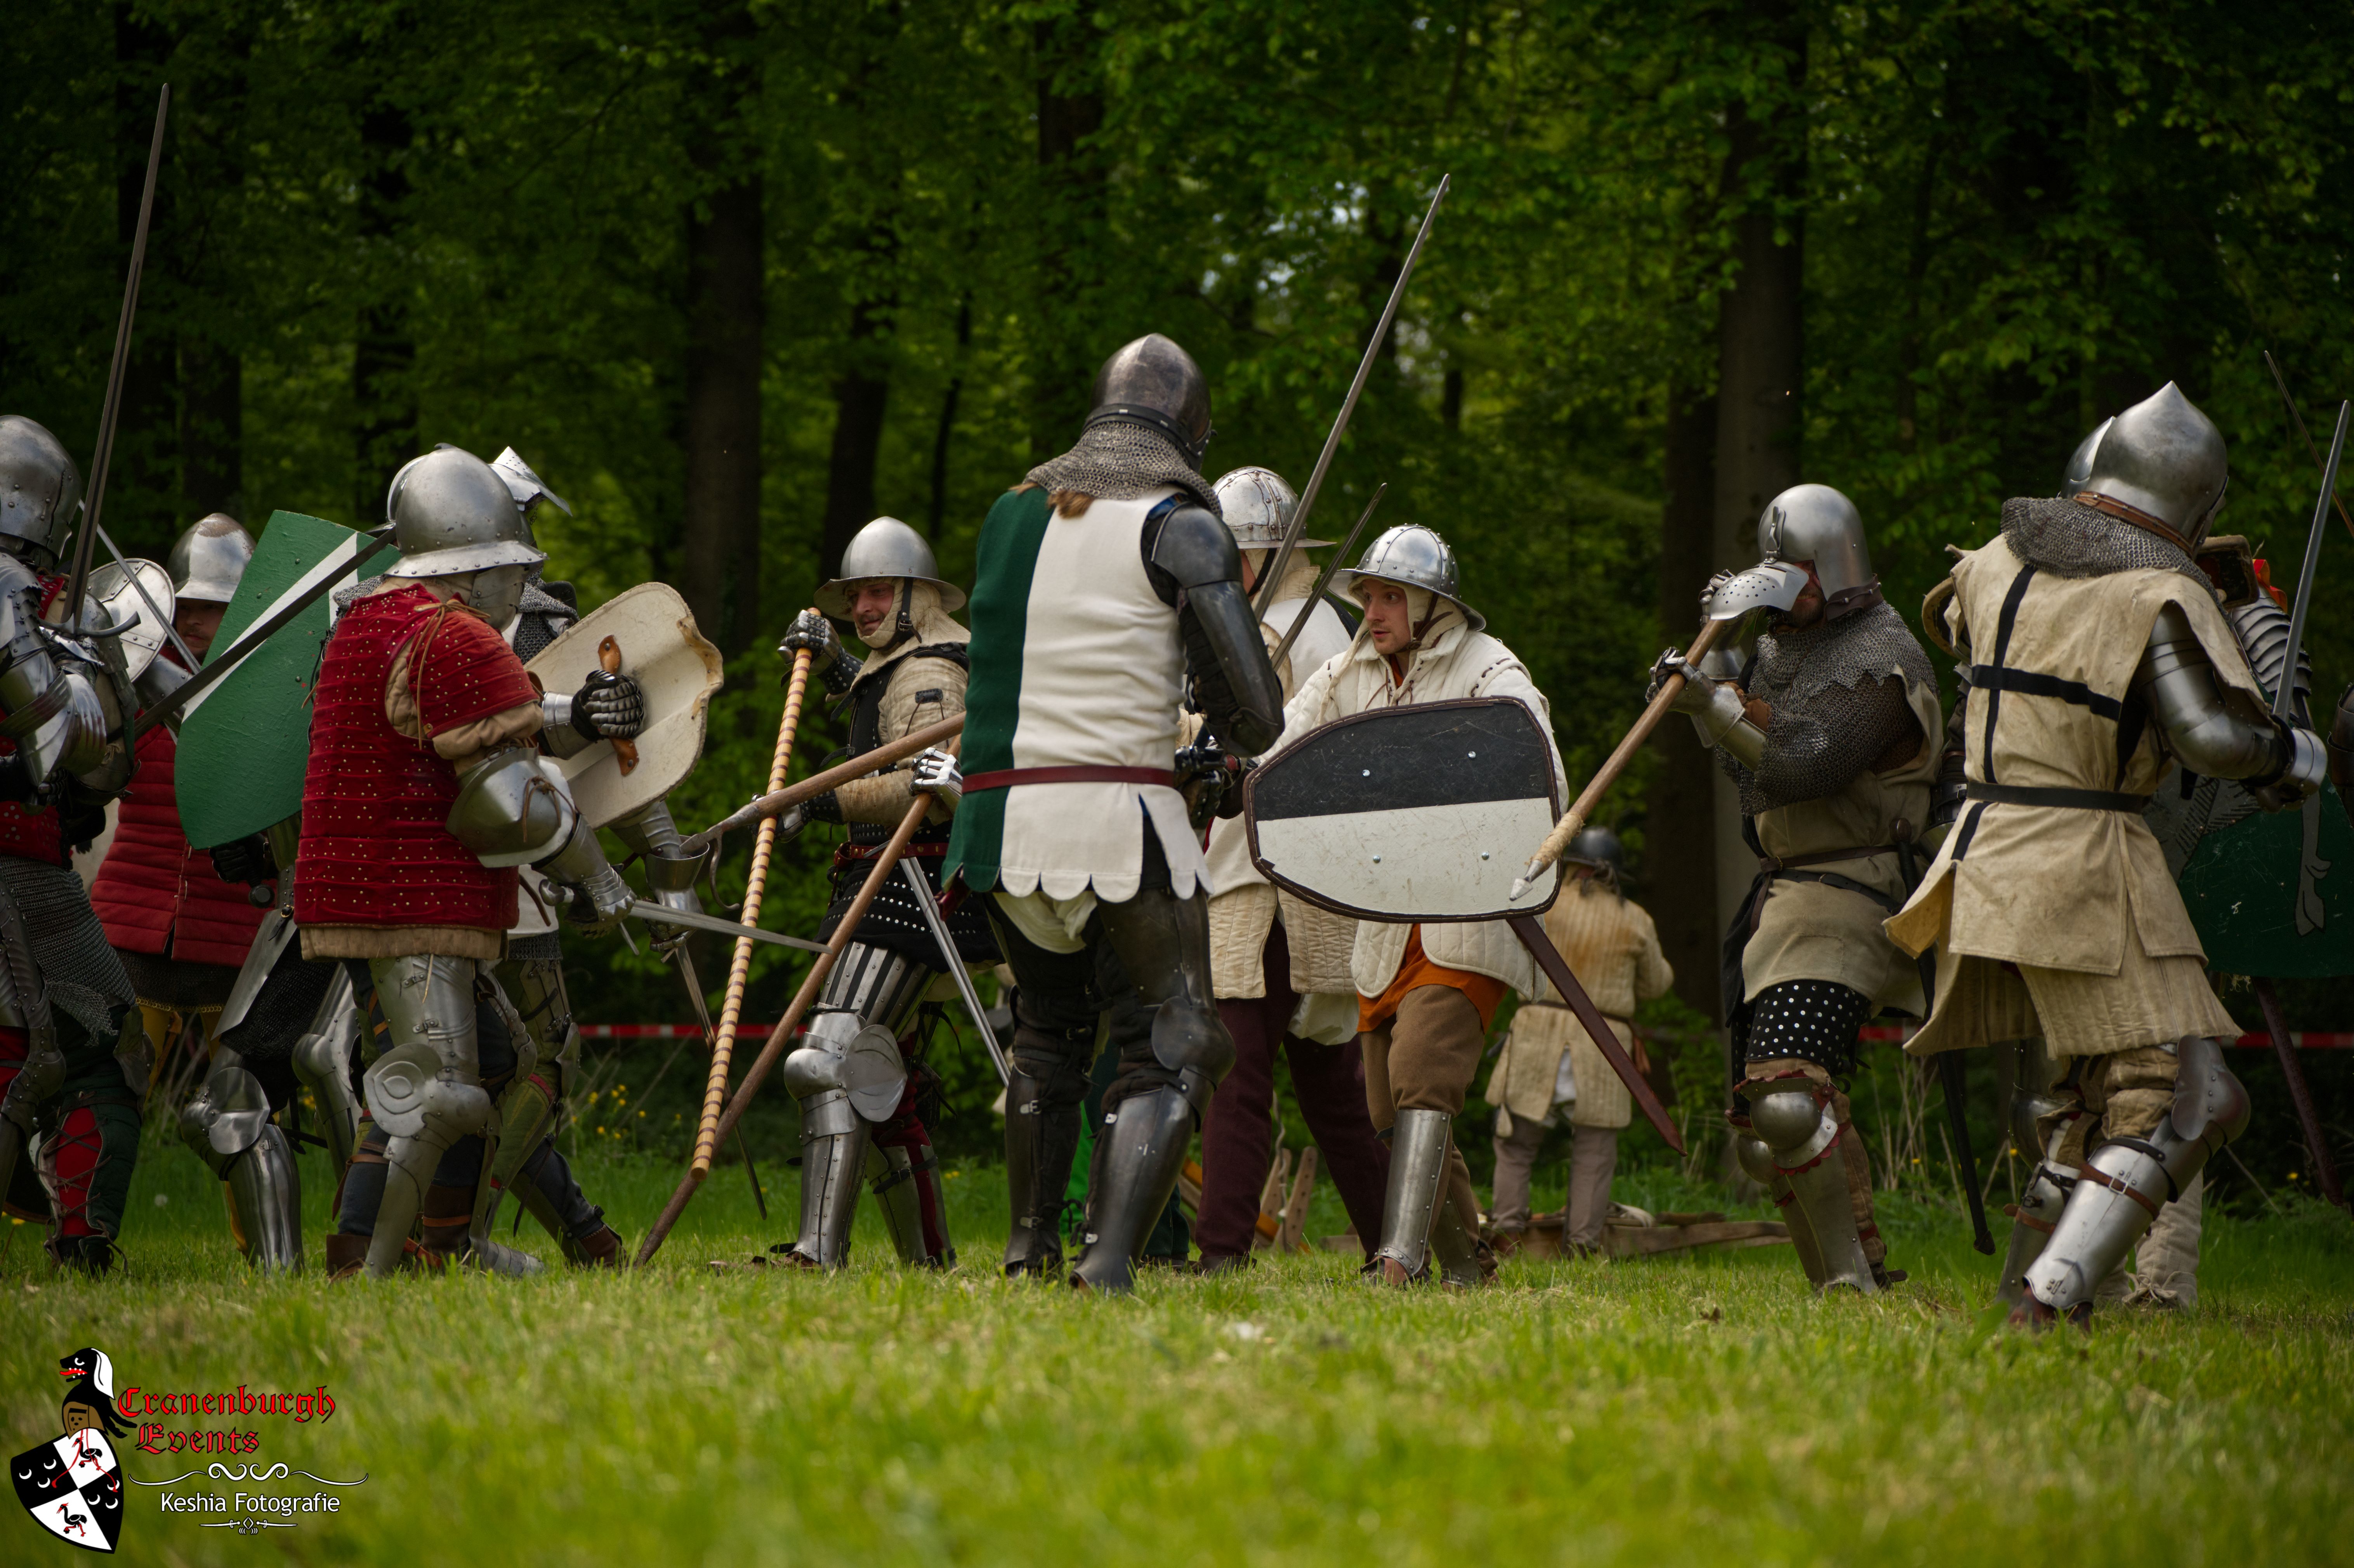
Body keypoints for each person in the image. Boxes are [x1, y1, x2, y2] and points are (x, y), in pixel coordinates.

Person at [1886, 382, 2326, 1328]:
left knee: (2086, 1099)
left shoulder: (1991, 563)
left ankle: (2028, 1289)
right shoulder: (2153, 591)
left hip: (1986, 847)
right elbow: (2209, 742)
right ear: (2199, 501)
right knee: (2184, 1098)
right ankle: (2047, 1299)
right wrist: (2292, 751)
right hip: (2086, 859)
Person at [943, 332, 1284, 1294]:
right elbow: (1256, 714)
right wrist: (1217, 736)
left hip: (998, 826)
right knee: (1177, 1042)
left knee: (1046, 1037)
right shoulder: (1181, 525)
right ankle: (1106, 1263)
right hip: (1115, 821)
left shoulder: (1010, 511)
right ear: (1190, 434)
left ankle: (1027, 1250)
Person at [299, 444, 643, 1279]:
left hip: (361, 889)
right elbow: (514, 797)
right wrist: (597, 879)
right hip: (407, 898)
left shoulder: (366, 619)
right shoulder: (453, 634)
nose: (521, 586)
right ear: (474, 567)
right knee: (441, 1088)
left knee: (499, 1066)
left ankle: (447, 1245)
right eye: (511, 566)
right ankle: (372, 1268)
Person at [1651, 483, 1942, 1294]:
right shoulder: (1778, 652)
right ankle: (1849, 1277)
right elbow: (1754, 779)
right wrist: (1710, 678)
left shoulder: (1880, 655)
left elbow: (1806, 765)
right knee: (1763, 1124)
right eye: (1781, 572)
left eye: (1803, 572)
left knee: (1786, 1096)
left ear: (1838, 565)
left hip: (1856, 886)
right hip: (1785, 897)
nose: (1791, 589)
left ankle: (1848, 1287)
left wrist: (1714, 704)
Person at [1273, 523, 1562, 1287]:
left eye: (1390, 597)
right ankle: (1467, 1267)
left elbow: (1537, 775)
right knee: (1387, 1112)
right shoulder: (1346, 674)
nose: (1372, 612)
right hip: (1384, 920)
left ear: (1434, 605)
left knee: (1423, 1076)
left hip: (1468, 916)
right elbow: (1283, 748)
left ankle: (1399, 1261)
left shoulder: (1490, 671)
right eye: (1367, 596)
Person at [767, 514, 991, 1268]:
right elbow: (885, 715)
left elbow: (918, 785)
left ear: (916, 596)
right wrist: (836, 663)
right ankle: (928, 1260)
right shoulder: (910, 661)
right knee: (881, 1083)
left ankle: (817, 1253)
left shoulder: (933, 672)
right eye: (855, 595)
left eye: (878, 593)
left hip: (911, 889)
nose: (861, 608)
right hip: (888, 884)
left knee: (824, 1060)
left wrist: (816, 801)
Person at [1191, 465, 1391, 1272]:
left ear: (1265, 554)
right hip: (1248, 869)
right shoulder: (1241, 626)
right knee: (1329, 1087)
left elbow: (1333, 753)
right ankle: (1399, 1245)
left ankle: (1219, 1252)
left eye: (1230, 553)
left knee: (1238, 1068)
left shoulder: (1307, 633)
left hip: (1278, 882)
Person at [88, 517, 295, 1270]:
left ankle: (266, 1255)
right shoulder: (132, 682)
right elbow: (89, 768)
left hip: (235, 930)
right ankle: (83, 1238)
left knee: (246, 1103)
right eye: (195, 606)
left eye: (220, 606)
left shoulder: (275, 696)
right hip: (132, 920)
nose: (204, 621)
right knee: (107, 1092)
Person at [0, 415, 146, 1273]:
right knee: (43, 1057)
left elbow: (102, 768)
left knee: (97, 1047)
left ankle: (84, 1243)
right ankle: (82, 1242)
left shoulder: (59, 608)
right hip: (14, 866)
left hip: (35, 864)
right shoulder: (22, 597)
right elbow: (73, 753)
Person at [1484, 827, 1673, 1256]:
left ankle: (1506, 1236)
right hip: (1602, 1044)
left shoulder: (1541, 904)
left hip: (1537, 1034)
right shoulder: (1636, 919)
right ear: (1614, 874)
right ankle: (1583, 1246)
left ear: (1572, 866)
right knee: (1595, 1149)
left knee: (1515, 1144)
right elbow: (1657, 984)